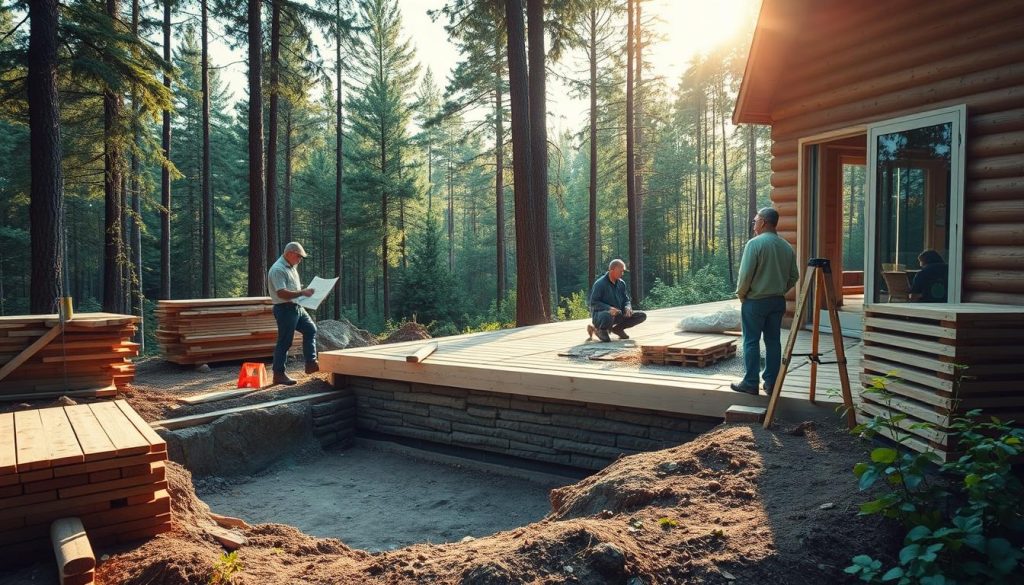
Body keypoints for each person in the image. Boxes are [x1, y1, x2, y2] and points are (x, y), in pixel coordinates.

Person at [731, 208, 799, 397]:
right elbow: (795, 276)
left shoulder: (755, 244)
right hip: (777, 302)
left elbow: (745, 276)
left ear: (763, 222)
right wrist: (779, 291)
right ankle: (771, 383)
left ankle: (750, 383)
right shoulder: (786, 246)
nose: (754, 225)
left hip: (755, 301)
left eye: (755, 221)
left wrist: (742, 295)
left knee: (751, 341)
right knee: (773, 341)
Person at [268, 241, 319, 385]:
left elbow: (293, 289)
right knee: (285, 342)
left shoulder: (292, 266)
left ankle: (311, 363)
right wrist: (303, 292)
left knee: (311, 329)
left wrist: (306, 294)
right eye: (298, 256)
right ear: (289, 253)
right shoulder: (278, 269)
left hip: (296, 307)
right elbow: (282, 293)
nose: (300, 259)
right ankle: (278, 374)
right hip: (284, 309)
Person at [588, 259, 647, 342]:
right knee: (606, 334)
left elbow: (626, 299)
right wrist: (609, 308)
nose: (622, 274)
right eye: (620, 271)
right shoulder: (600, 284)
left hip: (619, 314)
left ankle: (618, 329)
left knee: (641, 315)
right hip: (602, 316)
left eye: (623, 271)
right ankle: (600, 330)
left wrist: (627, 307)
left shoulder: (621, 283)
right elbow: (593, 303)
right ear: (612, 270)